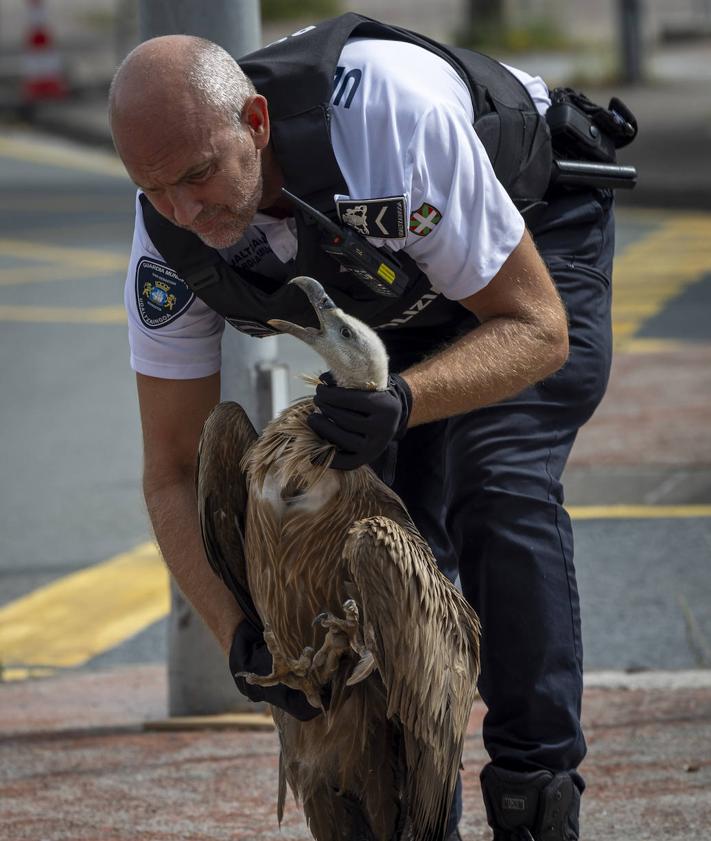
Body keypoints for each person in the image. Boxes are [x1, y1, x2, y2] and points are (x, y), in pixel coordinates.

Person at [110, 13, 619, 841]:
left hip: (524, 250)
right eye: (154, 185)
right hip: (385, 298)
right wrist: (240, 634)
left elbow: (535, 329)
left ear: (256, 123)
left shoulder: (387, 118)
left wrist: (407, 403)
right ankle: (409, 814)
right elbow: (171, 466)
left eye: (200, 173)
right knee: (360, 543)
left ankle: (534, 791)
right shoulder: (167, 234)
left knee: (492, 481)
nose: (183, 207)